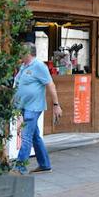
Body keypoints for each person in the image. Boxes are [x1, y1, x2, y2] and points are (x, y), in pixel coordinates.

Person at [11, 42, 62, 175]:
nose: (19, 54)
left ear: (28, 53)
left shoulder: (39, 66)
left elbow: (51, 85)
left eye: (21, 51)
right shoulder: (23, 66)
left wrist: (56, 105)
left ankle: (20, 168)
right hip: (23, 106)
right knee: (34, 136)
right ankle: (45, 165)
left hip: (33, 107)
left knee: (26, 136)